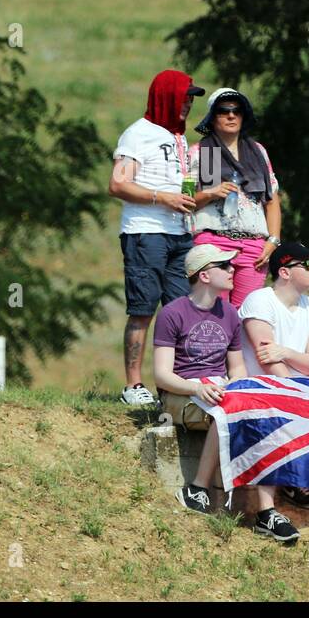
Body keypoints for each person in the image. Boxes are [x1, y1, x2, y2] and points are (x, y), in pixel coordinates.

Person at [155, 244, 300, 543]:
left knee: (263, 413)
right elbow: (162, 375)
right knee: (226, 411)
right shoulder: (172, 313)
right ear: (204, 275)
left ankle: (266, 513)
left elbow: (236, 369)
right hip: (181, 393)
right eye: (225, 266)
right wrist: (198, 387)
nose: (234, 270)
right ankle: (196, 488)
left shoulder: (230, 313)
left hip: (219, 391)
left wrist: (236, 386)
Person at [107, 69, 204, 408]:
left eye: (191, 99)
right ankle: (133, 385)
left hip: (180, 234)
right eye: (183, 97)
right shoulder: (138, 133)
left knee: (181, 312)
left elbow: (182, 187)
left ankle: (174, 385)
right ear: (165, 96)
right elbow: (118, 184)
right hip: (145, 231)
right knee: (143, 308)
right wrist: (162, 198)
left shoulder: (180, 138)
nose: (188, 105)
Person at [238, 241, 309, 512]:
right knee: (293, 405)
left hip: (302, 385)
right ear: (285, 272)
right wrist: (297, 387)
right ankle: (293, 482)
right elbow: (267, 361)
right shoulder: (259, 300)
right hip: (262, 386)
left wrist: (285, 351)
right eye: (307, 264)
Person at [187, 87, 282, 307]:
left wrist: (273, 241)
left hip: (254, 246)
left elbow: (272, 200)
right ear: (212, 117)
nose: (231, 115)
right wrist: (211, 192)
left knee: (247, 314)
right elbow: (185, 200)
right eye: (223, 111)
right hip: (213, 242)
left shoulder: (258, 151)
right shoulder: (201, 151)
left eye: (237, 110)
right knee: (214, 312)